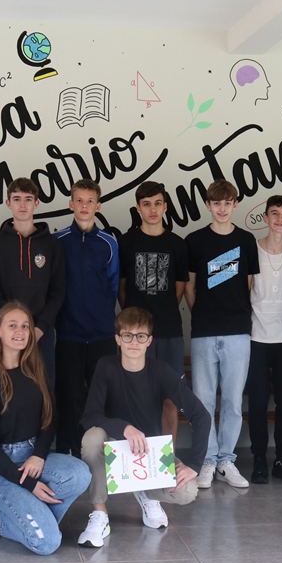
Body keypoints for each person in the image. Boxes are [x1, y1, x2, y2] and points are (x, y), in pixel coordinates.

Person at [77, 307, 210, 548]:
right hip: (114, 446)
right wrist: (124, 428)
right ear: (118, 339)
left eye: (140, 336)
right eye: (127, 335)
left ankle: (146, 494)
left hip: (149, 455)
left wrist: (194, 465)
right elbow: (90, 416)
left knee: (187, 491)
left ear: (149, 340)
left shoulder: (161, 371)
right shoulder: (106, 366)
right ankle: (100, 514)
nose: (134, 342)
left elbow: (201, 415)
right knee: (92, 437)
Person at [0, 302, 90, 555]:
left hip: (32, 457)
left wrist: (38, 454)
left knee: (81, 474)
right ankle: (0, 515)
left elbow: (51, 417)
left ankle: (22, 513)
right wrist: (27, 485)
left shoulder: (35, 370)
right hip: (2, 468)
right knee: (47, 543)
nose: (20, 331)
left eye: (25, 326)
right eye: (12, 325)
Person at [185, 179, 259, 489]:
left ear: (235, 204)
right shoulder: (194, 240)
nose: (222, 208)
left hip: (238, 332)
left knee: (232, 401)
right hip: (204, 331)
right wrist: (202, 314)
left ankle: (226, 461)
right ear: (208, 205)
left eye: (228, 202)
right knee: (203, 402)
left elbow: (249, 285)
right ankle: (207, 460)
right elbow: (189, 287)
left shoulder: (246, 240)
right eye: (216, 203)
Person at [117, 181, 188, 445]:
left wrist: (161, 310)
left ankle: (166, 459)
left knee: (170, 399)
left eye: (158, 203)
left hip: (169, 331)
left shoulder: (177, 244)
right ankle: (137, 460)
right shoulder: (126, 243)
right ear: (138, 208)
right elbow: (121, 289)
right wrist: (135, 321)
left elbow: (179, 290)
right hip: (134, 335)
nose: (153, 209)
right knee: (133, 397)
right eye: (146, 204)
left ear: (165, 206)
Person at [53, 178, 119, 457]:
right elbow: (53, 285)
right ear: (71, 204)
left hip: (102, 335)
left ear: (98, 206)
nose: (84, 205)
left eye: (90, 201)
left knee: (104, 399)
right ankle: (67, 452)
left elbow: (113, 285)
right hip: (68, 335)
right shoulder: (58, 241)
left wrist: (101, 318)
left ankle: (103, 456)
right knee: (68, 397)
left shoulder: (108, 243)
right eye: (79, 200)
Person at [0, 177, 65, 389]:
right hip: (8, 334)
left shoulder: (51, 244)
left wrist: (40, 328)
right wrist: (10, 327)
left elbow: (58, 291)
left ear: (36, 203)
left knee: (44, 389)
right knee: (8, 389)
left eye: (28, 199)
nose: (23, 204)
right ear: (8, 202)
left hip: (41, 333)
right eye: (17, 199)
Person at [247, 195, 282, 485]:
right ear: (265, 217)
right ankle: (259, 459)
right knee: (257, 403)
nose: (280, 219)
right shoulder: (252, 250)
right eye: (275, 213)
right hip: (256, 337)